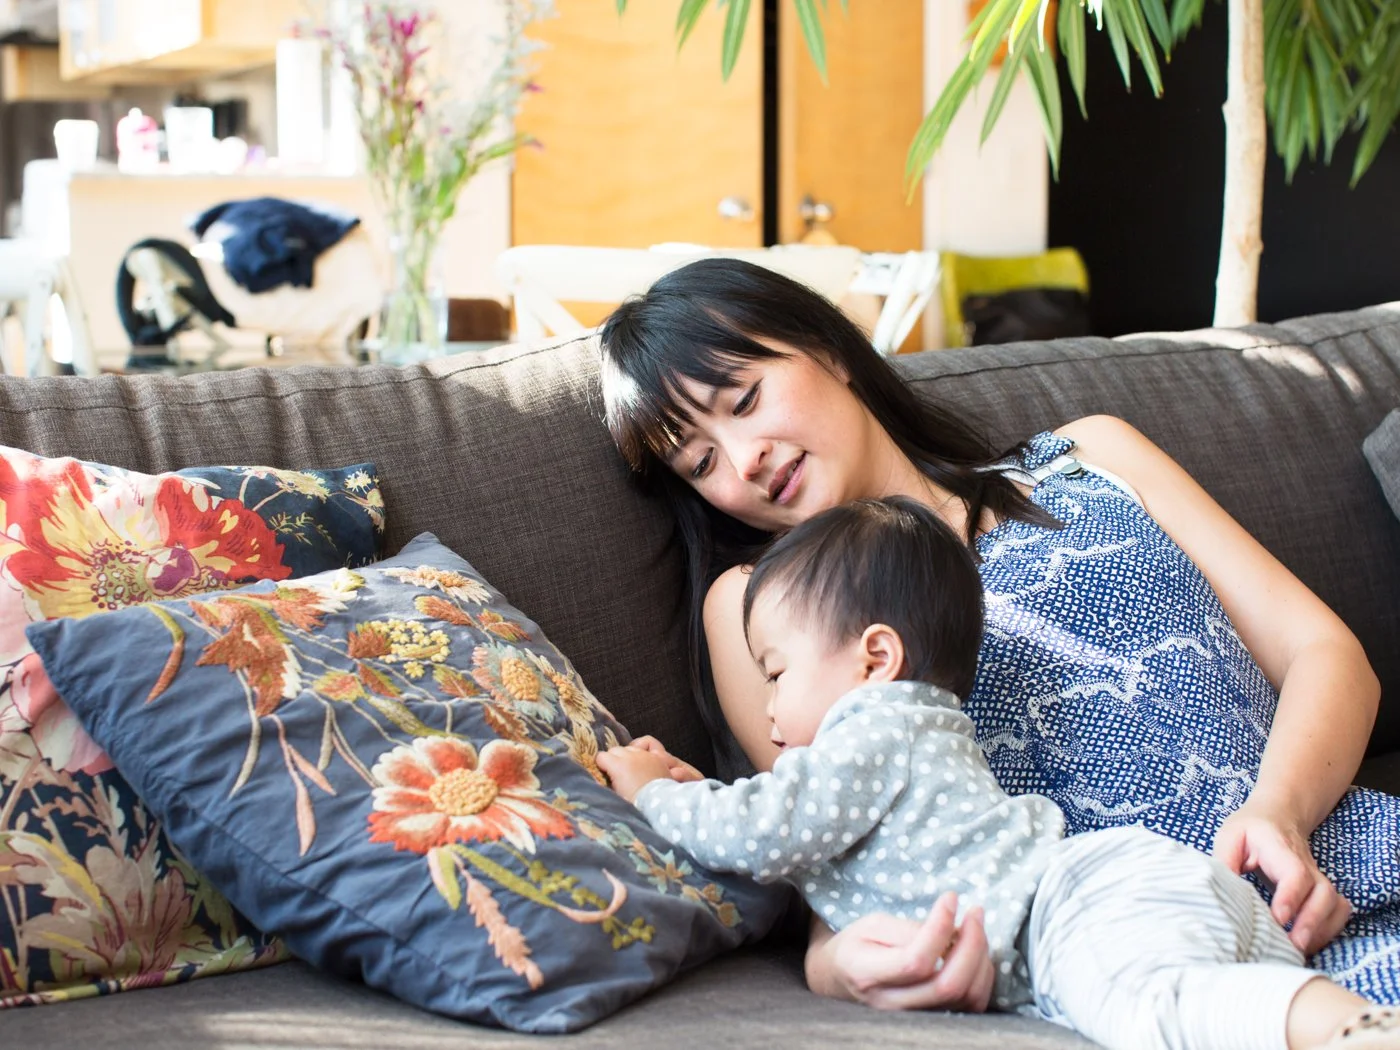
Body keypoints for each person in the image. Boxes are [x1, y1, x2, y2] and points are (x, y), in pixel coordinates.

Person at [595, 257, 1397, 1011]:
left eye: (743, 401)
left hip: (1330, 864)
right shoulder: (757, 611)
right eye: (700, 464)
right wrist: (834, 967)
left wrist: (1280, 811)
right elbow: (826, 837)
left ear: (827, 350)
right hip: (1128, 955)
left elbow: (1324, 655)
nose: (745, 459)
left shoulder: (1091, 458)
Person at [598, 496, 1399, 1050]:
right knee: (1232, 1024)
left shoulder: (867, 728)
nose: (770, 717)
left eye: (775, 675)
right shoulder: (924, 725)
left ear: (876, 656)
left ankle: (1357, 1029)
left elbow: (763, 830)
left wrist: (656, 791)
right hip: (1171, 887)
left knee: (1151, 1011)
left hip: (1077, 909)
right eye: (699, 461)